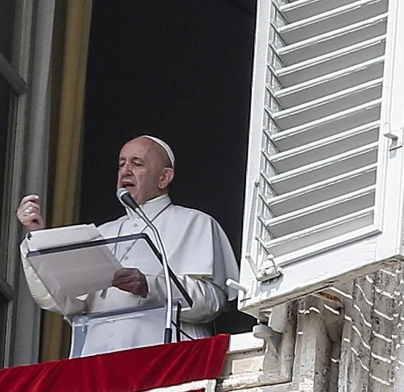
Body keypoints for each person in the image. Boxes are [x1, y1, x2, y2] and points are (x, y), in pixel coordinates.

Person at [17, 135, 240, 357]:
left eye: (137, 163)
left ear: (164, 177)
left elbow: (211, 302)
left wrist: (150, 286)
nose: (125, 171)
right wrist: (38, 238)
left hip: (165, 359)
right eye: (121, 164)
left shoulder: (195, 223)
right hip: (98, 360)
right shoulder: (100, 233)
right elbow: (64, 300)